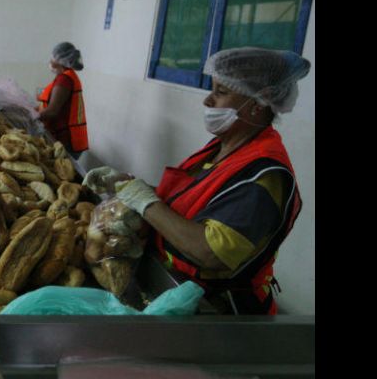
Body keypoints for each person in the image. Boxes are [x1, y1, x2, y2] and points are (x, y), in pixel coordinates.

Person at [83, 47, 311, 315]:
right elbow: (190, 202)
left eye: (221, 92)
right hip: (175, 285)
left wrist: (144, 201)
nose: (208, 101)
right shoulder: (223, 147)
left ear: (257, 105)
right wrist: (126, 184)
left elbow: (210, 251)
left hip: (217, 311)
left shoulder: (264, 174)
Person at [37, 42, 88, 160]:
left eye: (52, 58)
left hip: (67, 140)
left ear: (61, 60)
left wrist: (31, 117)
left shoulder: (64, 79)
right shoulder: (66, 76)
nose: (50, 62)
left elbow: (52, 111)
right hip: (68, 137)